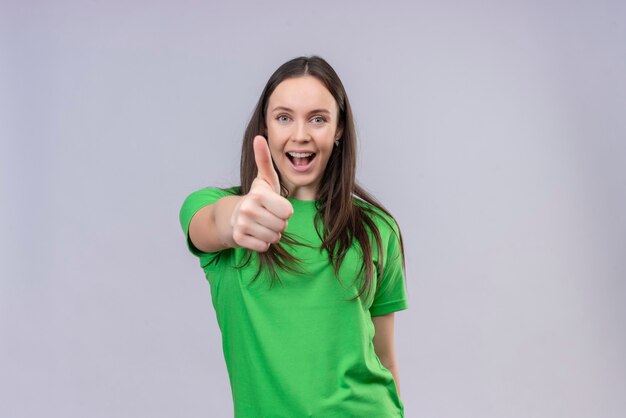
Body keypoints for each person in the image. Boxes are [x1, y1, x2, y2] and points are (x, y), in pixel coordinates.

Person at [179, 56, 409, 417]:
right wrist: (239, 217)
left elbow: (383, 355)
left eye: (318, 119)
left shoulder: (376, 228)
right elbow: (210, 225)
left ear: (338, 130)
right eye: (284, 117)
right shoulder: (217, 206)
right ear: (265, 127)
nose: (300, 134)